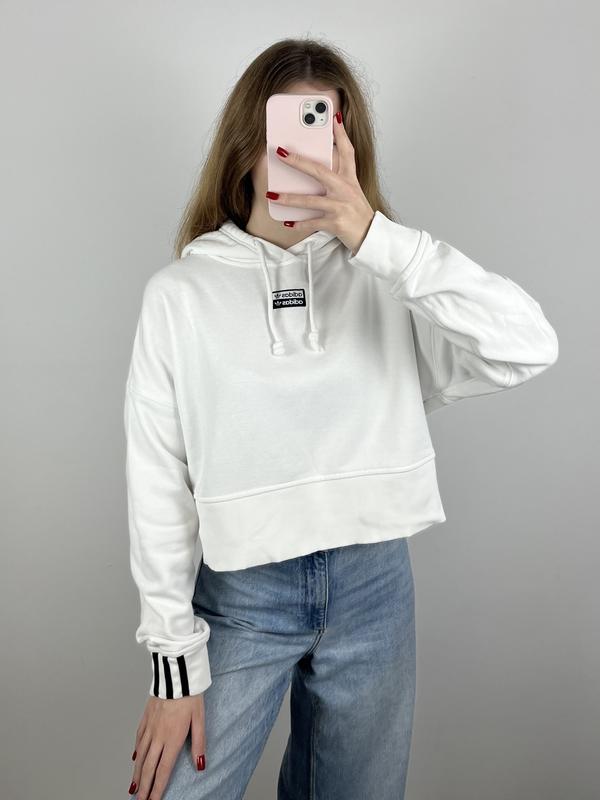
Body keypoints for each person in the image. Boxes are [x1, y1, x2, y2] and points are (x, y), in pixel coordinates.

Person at [123, 38, 559, 800]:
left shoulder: (387, 279)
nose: (307, 159)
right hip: (242, 597)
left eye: (325, 135)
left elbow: (529, 346)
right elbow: (156, 483)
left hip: (374, 586)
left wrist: (376, 239)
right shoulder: (180, 296)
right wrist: (173, 666)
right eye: (288, 135)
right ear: (248, 146)